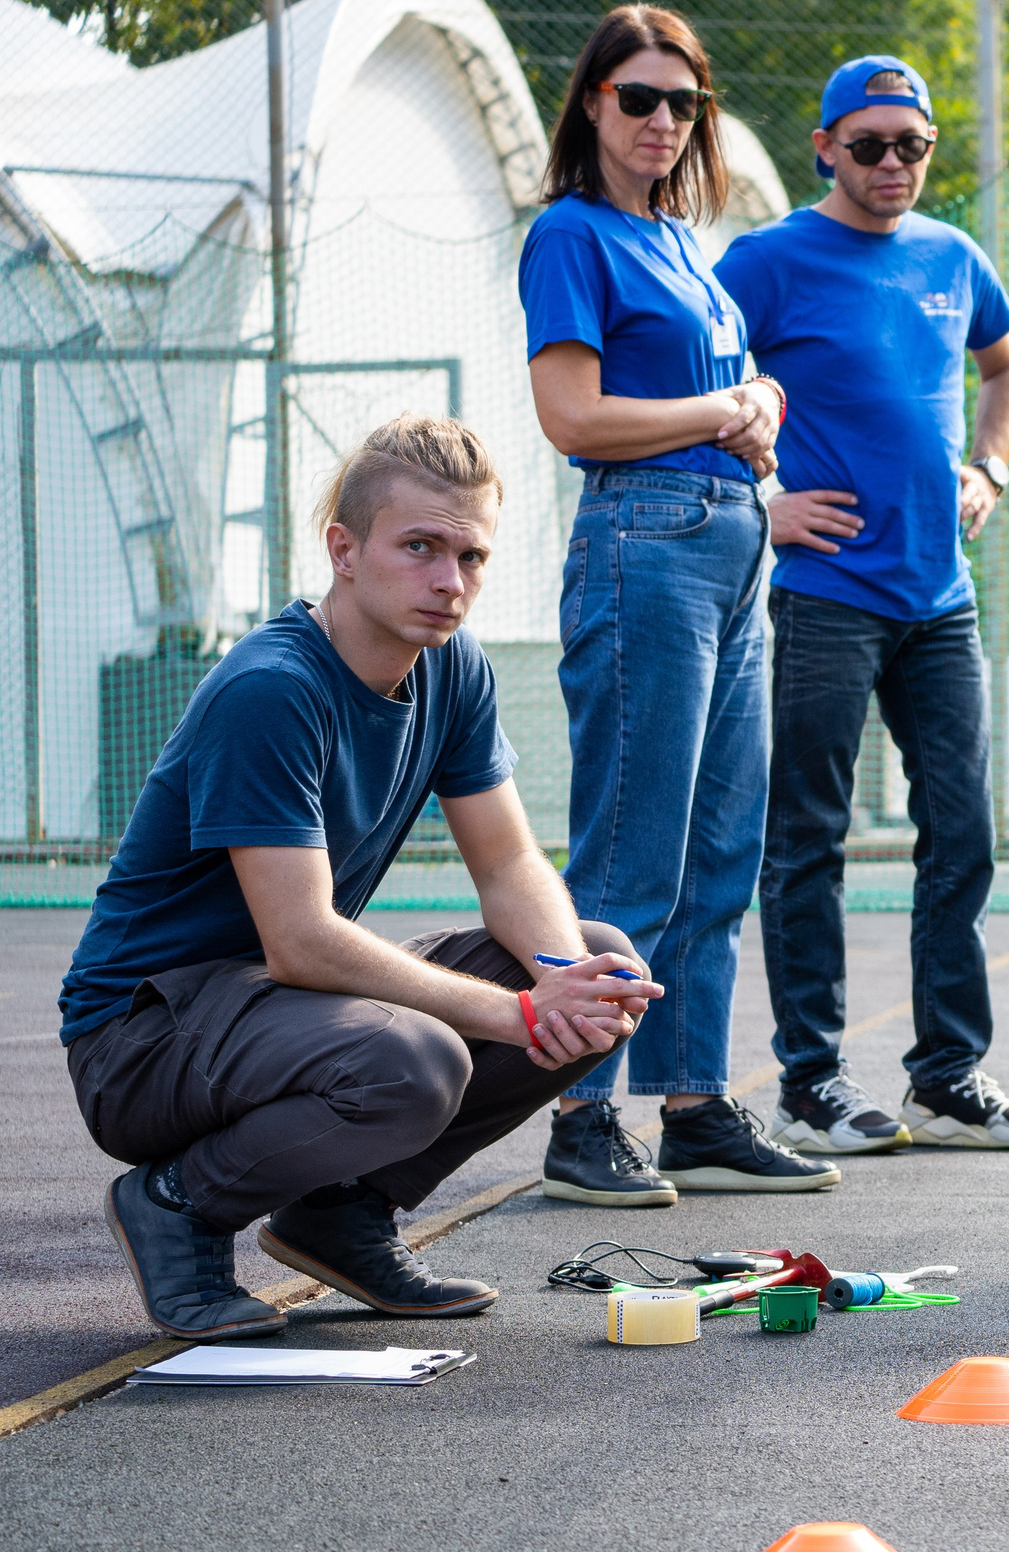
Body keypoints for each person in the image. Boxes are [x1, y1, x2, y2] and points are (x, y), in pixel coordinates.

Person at [61, 416, 667, 1337]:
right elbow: (301, 938)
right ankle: (178, 1202)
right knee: (416, 1060)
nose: (447, 581)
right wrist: (516, 1013)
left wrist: (554, 980)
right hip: (141, 1040)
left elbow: (505, 860)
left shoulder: (453, 667)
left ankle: (340, 1210)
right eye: (419, 546)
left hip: (264, 1006)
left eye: (471, 556)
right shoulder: (271, 687)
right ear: (344, 549)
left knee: (600, 964)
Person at [520, 4, 837, 1203]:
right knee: (629, 852)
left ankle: (697, 1105)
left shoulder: (688, 246)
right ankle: (580, 1112)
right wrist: (722, 411)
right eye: (637, 98)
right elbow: (575, 418)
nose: (662, 121)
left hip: (733, 548)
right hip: (643, 541)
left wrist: (754, 395)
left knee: (719, 852)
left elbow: (722, 394)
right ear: (592, 105)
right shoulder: (570, 234)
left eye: (683, 102)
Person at [714, 56, 1009, 1154]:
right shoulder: (765, 262)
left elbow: (1007, 367)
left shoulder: (954, 258)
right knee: (807, 838)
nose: (893, 165)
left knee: (962, 830)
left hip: (937, 597)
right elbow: (696, 383)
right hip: (824, 596)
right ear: (824, 146)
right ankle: (809, 1084)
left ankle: (946, 1074)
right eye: (869, 146)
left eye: (913, 146)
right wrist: (761, 502)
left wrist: (990, 471)